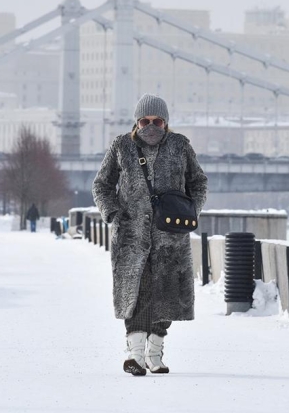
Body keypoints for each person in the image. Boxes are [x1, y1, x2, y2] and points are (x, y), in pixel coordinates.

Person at [92, 94, 208, 376]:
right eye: (145, 121)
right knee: (137, 295)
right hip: (131, 238)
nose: (151, 126)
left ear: (166, 122)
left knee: (166, 297)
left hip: (171, 238)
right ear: (137, 121)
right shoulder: (122, 146)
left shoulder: (180, 146)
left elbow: (198, 182)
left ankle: (155, 355)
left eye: (157, 121)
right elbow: (101, 185)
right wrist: (113, 215)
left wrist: (191, 211)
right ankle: (135, 357)